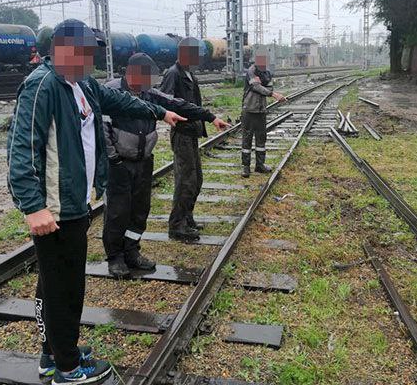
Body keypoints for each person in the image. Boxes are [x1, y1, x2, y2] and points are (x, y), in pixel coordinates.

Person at [7, 19, 186, 385]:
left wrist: (159, 112)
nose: (91, 57)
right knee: (64, 287)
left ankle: (54, 353)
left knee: (56, 283)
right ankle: (68, 369)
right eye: (85, 49)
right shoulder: (42, 86)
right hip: (54, 208)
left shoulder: (83, 84)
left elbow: (118, 99)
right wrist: (32, 206)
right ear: (62, 48)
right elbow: (22, 149)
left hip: (75, 201)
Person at [101, 53, 229, 277]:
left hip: (143, 161)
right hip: (119, 163)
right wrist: (114, 159)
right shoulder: (112, 92)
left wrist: (210, 117)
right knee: (117, 212)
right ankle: (115, 258)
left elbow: (176, 104)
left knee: (140, 211)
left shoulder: (148, 93)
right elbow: (102, 129)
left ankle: (132, 251)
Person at [159, 37, 213, 241]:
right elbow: (164, 100)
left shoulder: (189, 74)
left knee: (196, 179)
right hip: (182, 133)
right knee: (185, 181)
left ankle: (187, 217)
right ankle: (176, 226)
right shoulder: (173, 74)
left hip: (192, 133)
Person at [240, 50, 286, 178]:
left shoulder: (267, 74)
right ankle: (246, 167)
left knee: (261, 138)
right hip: (249, 110)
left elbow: (268, 87)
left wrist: (267, 89)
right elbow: (256, 87)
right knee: (247, 139)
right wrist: (273, 94)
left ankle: (260, 165)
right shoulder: (251, 71)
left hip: (261, 111)